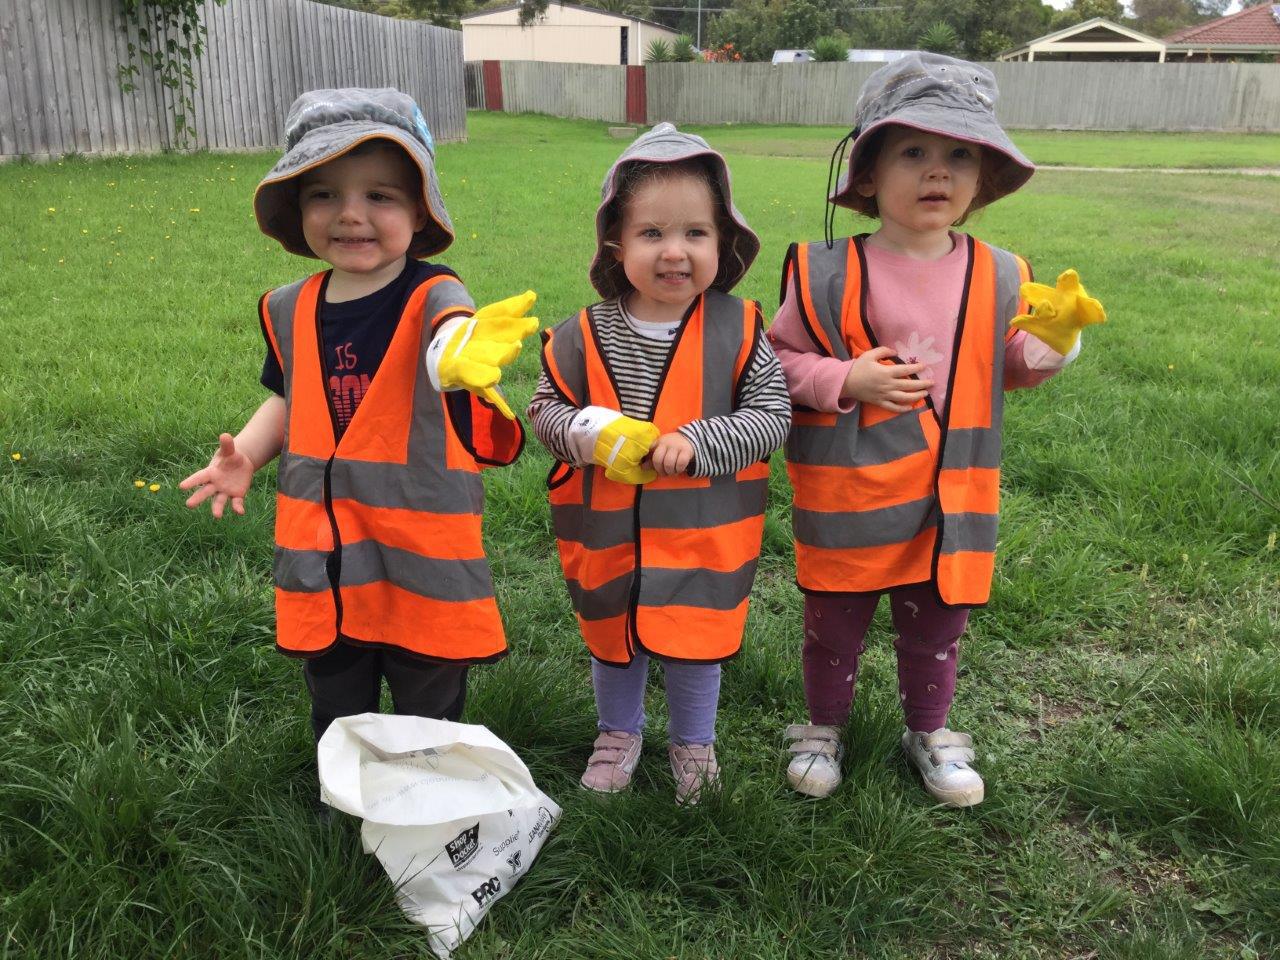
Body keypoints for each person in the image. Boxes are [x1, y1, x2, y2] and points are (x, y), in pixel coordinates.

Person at [770, 54, 1094, 806]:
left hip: (953, 494)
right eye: (912, 152)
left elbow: (1004, 365)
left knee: (936, 622)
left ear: (982, 180)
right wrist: (844, 378)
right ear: (869, 173)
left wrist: (1057, 341)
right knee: (835, 624)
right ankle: (824, 727)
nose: (936, 172)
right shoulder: (825, 272)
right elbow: (779, 362)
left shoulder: (1001, 272)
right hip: (853, 493)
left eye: (958, 155)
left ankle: (931, 729)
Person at [179, 88, 538, 747]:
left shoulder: (436, 294)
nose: (351, 215)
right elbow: (289, 396)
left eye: (380, 195)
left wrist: (461, 353)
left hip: (418, 553)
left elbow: (448, 341)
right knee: (336, 689)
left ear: (419, 208)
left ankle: (423, 788)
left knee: (425, 692)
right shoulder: (290, 308)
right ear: (297, 208)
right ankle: (345, 786)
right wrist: (249, 455)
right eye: (324, 195)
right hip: (329, 552)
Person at [528, 124, 791, 804]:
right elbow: (545, 413)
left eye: (696, 234)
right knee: (615, 640)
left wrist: (702, 442)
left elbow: (772, 416)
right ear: (617, 243)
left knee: (697, 642)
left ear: (723, 242)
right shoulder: (583, 334)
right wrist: (587, 433)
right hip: (607, 536)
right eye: (652, 234)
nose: (674, 252)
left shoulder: (740, 329)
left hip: (704, 538)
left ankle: (692, 741)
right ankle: (618, 732)